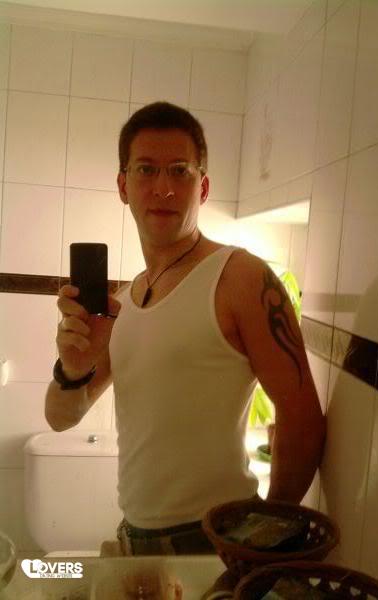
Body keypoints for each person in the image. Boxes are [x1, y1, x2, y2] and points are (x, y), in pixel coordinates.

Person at [45, 101, 326, 556]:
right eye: (146, 170)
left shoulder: (240, 278)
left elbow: (303, 418)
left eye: (180, 171)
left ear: (203, 186)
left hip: (218, 537)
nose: (164, 188)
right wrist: (73, 369)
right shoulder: (123, 302)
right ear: (123, 185)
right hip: (134, 537)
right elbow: (60, 419)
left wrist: (264, 540)